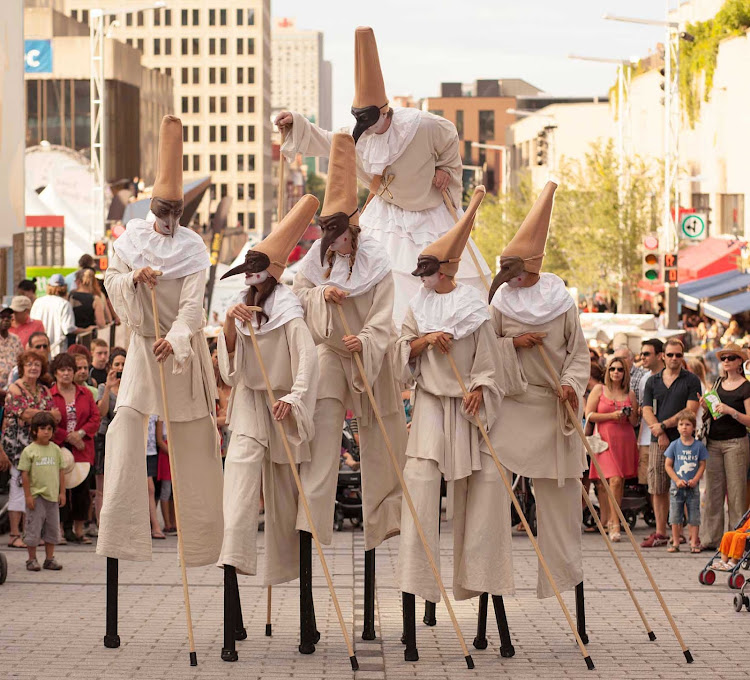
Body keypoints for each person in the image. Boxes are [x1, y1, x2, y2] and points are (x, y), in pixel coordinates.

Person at [276, 27, 491, 326]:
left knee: (436, 273)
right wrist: (296, 123)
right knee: (378, 273)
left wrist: (445, 168)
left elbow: (449, 139)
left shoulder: (423, 125)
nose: (365, 130)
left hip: (427, 212)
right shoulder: (358, 136)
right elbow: (329, 142)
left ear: (385, 113)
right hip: (385, 214)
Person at [97, 115, 224, 568]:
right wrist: (135, 277)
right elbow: (110, 282)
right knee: (127, 424)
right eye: (164, 210)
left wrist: (175, 337)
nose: (170, 219)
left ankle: (206, 540)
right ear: (152, 207)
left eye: (177, 211)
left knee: (193, 433)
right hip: (141, 349)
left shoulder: (193, 249)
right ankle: (121, 530)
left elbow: (193, 306)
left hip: (181, 353)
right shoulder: (129, 241)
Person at [395, 187, 516, 628]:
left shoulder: (473, 310)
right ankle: (418, 587)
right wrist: (424, 341)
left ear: (446, 272)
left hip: (466, 415)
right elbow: (399, 355)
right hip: (428, 408)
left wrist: (481, 390)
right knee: (421, 491)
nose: (421, 278)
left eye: (427, 272)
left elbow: (489, 365)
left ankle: (480, 586)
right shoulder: (417, 307)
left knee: (479, 500)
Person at [293, 133, 406, 553]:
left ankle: (385, 519)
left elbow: (384, 313)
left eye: (336, 234)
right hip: (330, 351)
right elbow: (299, 295)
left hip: (367, 355)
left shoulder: (377, 262)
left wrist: (366, 340)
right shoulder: (316, 261)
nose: (331, 241)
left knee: (380, 432)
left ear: (352, 232)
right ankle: (312, 517)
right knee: (323, 433)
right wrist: (322, 295)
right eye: (326, 233)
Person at [488, 181, 590, 600]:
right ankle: (490, 580)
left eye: (515, 273)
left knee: (561, 501)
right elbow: (484, 353)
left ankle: (562, 578)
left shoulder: (562, 302)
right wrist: (513, 344)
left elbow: (580, 354)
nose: (509, 281)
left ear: (531, 268)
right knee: (491, 486)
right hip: (513, 406)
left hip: (552, 408)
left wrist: (569, 384)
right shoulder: (500, 304)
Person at [216, 194, 320, 586]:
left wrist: (294, 398)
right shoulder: (241, 307)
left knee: (284, 493)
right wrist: (230, 321)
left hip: (281, 408)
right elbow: (229, 370)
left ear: (271, 275)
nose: (248, 278)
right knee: (240, 478)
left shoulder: (289, 311)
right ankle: (233, 554)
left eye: (254, 271)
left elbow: (307, 360)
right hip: (249, 404)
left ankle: (287, 571)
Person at [641, 338, 701, 548]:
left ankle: (683, 533)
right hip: (659, 440)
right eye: (670, 355)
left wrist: (663, 427)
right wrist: (659, 431)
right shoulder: (652, 381)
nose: (675, 358)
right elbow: (646, 409)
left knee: (685, 486)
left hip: (685, 441)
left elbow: (690, 410)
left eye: (678, 355)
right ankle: (661, 531)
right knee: (658, 486)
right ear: (662, 357)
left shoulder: (691, 380)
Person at [2, 350, 59, 549]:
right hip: (18, 445)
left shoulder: (44, 390)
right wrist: (46, 413)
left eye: (37, 364)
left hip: (39, 446)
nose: (33, 367)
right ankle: (14, 534)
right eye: (29, 364)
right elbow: (24, 413)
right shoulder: (15, 388)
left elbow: (56, 416)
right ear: (22, 367)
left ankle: (30, 533)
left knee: (33, 488)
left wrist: (43, 415)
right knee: (18, 486)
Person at [699, 343, 750, 550]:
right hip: (713, 441)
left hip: (736, 442)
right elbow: (713, 412)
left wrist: (731, 411)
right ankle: (711, 539)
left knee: (737, 494)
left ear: (740, 361)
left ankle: (736, 541)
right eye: (724, 358)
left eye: (731, 358)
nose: (726, 361)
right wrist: (706, 405)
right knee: (713, 492)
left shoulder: (746, 387)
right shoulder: (718, 382)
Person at [585, 356, 639, 542]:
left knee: (618, 482)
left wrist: (630, 414)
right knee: (613, 481)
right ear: (607, 371)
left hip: (624, 440)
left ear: (625, 373)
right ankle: (615, 524)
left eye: (620, 369)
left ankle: (609, 520)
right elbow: (589, 415)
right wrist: (612, 415)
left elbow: (634, 422)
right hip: (604, 441)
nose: (616, 372)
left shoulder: (629, 394)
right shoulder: (600, 389)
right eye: (613, 369)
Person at [50, 353, 100, 544]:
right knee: (60, 489)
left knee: (82, 491)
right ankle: (60, 531)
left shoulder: (85, 393)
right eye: (62, 370)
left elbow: (95, 418)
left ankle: (79, 531)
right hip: (59, 447)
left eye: (70, 369)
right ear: (55, 373)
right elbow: (47, 421)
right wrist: (66, 436)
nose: (66, 373)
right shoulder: (50, 394)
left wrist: (79, 434)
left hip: (83, 448)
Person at [18, 411, 66, 571]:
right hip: (36, 497)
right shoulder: (29, 451)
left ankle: (49, 559)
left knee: (52, 529)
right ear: (34, 431)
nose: (46, 432)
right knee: (33, 529)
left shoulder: (56, 450)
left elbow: (61, 471)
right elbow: (24, 474)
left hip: (52, 497)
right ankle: (31, 559)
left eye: (49, 429)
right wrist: (28, 496)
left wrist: (62, 492)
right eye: (42, 428)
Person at [663, 409, 707, 553]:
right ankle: (675, 542)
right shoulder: (674, 445)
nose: (684, 427)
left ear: (693, 427)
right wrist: (676, 480)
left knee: (694, 515)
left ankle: (694, 542)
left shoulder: (698, 446)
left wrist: (696, 479)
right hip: (677, 487)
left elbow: (702, 464)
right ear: (677, 427)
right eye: (681, 424)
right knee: (675, 515)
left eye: (688, 424)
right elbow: (668, 465)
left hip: (693, 487)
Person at [94, 347, 126, 525]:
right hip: (104, 438)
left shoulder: (131, 386)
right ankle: (101, 523)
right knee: (102, 485)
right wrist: (108, 387)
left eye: (123, 364)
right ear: (110, 367)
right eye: (117, 364)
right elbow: (101, 412)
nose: (120, 367)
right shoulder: (102, 387)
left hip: (123, 438)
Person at [29, 275, 79, 356]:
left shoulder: (38, 302)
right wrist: (86, 330)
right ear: (64, 287)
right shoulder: (64, 304)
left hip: (38, 347)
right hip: (57, 348)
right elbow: (68, 328)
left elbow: (32, 323)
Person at [69, 268, 107, 337]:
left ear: (77, 281)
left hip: (72, 336)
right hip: (88, 337)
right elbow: (101, 324)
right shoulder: (95, 299)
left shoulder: (70, 296)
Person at [0, 306, 24, 389]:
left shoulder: (15, 339)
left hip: (13, 388)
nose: (6, 320)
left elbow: (22, 362)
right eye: (2, 317)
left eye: (9, 317)